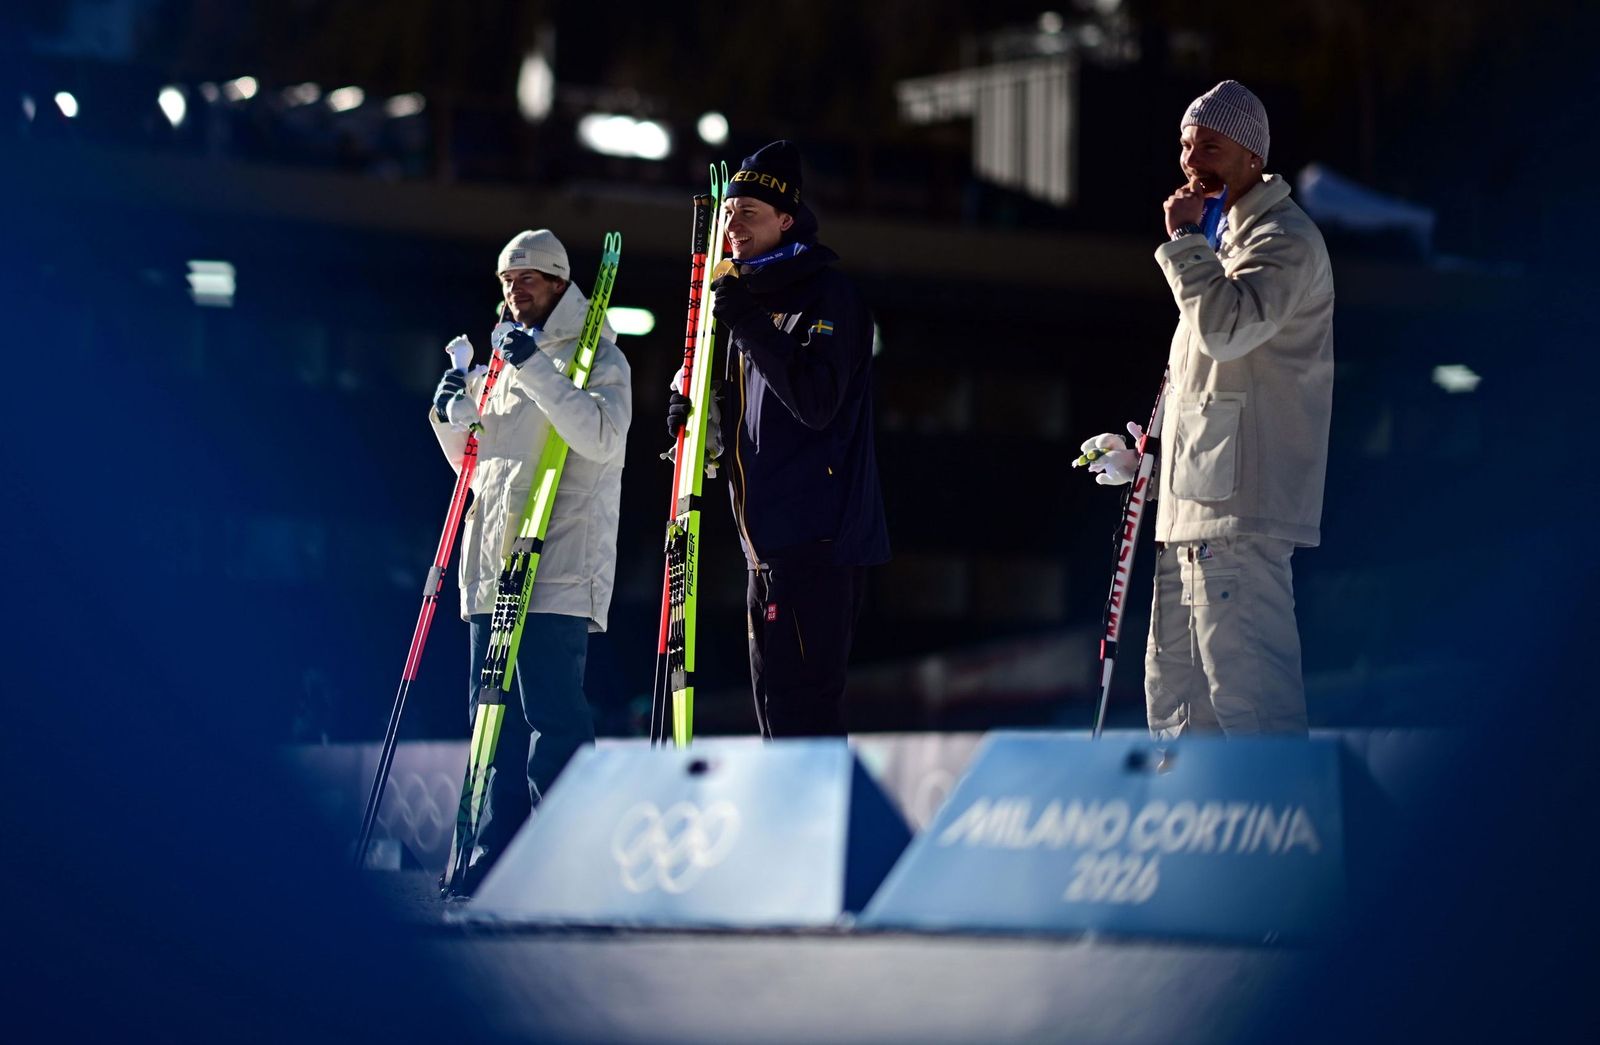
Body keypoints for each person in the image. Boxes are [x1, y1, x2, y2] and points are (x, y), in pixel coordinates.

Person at [1079, 80, 1334, 738]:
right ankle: (1194, 830)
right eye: (1185, 144)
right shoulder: (1222, 246)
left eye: (1210, 146)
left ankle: (1278, 831)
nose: (1192, 160)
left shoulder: (1284, 241)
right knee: (1178, 708)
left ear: (1252, 155)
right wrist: (1150, 455)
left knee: (1251, 703)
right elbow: (1211, 382)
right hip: (1191, 512)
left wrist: (1185, 241)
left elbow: (1228, 329)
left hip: (1241, 517)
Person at [667, 140, 890, 738]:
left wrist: (746, 322)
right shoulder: (743, 296)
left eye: (749, 213)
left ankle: (820, 831)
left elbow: (816, 403)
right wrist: (692, 407)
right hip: (763, 545)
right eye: (728, 213)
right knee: (774, 708)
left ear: (786, 220)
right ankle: (792, 828)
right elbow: (738, 405)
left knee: (803, 714)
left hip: (816, 542)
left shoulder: (825, 295)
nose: (733, 226)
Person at [430, 229, 631, 890]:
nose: (514, 294)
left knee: (552, 714)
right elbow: (482, 461)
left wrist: (536, 369)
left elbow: (600, 438)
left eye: (527, 280)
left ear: (557, 282)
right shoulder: (504, 359)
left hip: (558, 561)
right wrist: (451, 417)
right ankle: (497, 850)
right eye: (506, 282)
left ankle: (568, 853)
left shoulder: (596, 354)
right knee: (492, 717)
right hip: (493, 564)